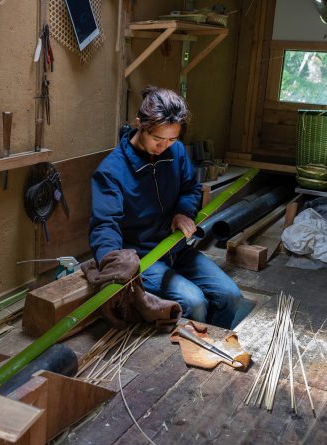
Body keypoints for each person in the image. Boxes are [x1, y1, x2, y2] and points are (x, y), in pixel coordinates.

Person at [89, 85, 252, 329]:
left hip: (176, 249)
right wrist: (113, 264)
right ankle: (191, 348)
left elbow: (190, 188)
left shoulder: (175, 152)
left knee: (231, 296)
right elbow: (104, 225)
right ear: (139, 125)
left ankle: (214, 346)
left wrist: (182, 213)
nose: (164, 146)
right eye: (157, 139)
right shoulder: (111, 171)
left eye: (172, 139)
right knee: (194, 302)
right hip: (144, 258)